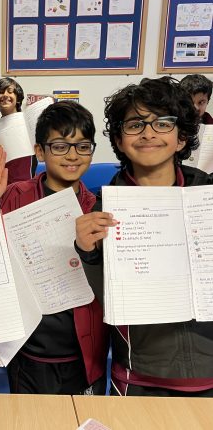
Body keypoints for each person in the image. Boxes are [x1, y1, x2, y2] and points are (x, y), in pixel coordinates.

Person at [75, 76, 213, 397]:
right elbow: (106, 302)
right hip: (140, 378)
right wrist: (88, 252)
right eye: (135, 124)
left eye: (162, 123)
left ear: (181, 138)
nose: (149, 132)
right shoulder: (102, 211)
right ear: (121, 141)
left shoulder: (207, 196)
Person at [0, 101, 109, 395]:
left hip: (84, 355)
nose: (72, 155)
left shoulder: (98, 209)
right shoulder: (13, 197)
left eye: (83, 146)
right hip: (28, 353)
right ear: (39, 151)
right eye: (60, 146)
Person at [0, 77, 37, 184]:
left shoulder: (29, 121)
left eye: (10, 92)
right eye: (0, 92)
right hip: (5, 185)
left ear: (18, 98)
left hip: (29, 182)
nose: (5, 95)